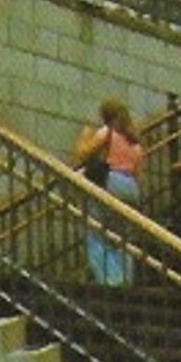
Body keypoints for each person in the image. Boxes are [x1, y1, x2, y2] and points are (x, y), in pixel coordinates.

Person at [72, 98, 145, 287]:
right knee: (123, 238)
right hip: (131, 187)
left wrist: (85, 135)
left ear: (106, 117)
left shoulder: (107, 133)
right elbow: (139, 173)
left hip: (110, 182)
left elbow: (83, 153)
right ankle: (126, 279)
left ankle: (112, 280)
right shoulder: (136, 145)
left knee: (96, 233)